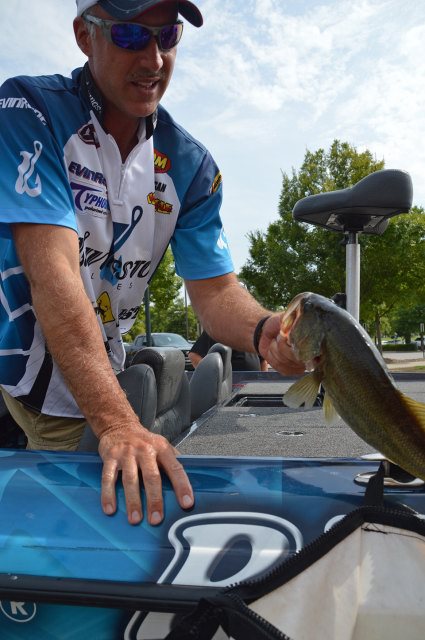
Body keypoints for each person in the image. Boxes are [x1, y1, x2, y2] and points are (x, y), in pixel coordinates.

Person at [0, 0, 303, 527]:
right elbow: (54, 275)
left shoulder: (191, 164)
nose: (154, 59)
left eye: (167, 36)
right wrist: (117, 423)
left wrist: (264, 330)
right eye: (129, 36)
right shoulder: (28, 108)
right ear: (84, 36)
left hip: (90, 376)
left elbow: (214, 291)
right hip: (31, 377)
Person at [189, 331, 269, 371]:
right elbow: (194, 355)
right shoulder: (217, 329)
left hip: (253, 386)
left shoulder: (252, 331)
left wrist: (262, 381)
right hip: (229, 390)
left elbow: (263, 361)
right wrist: (210, 378)